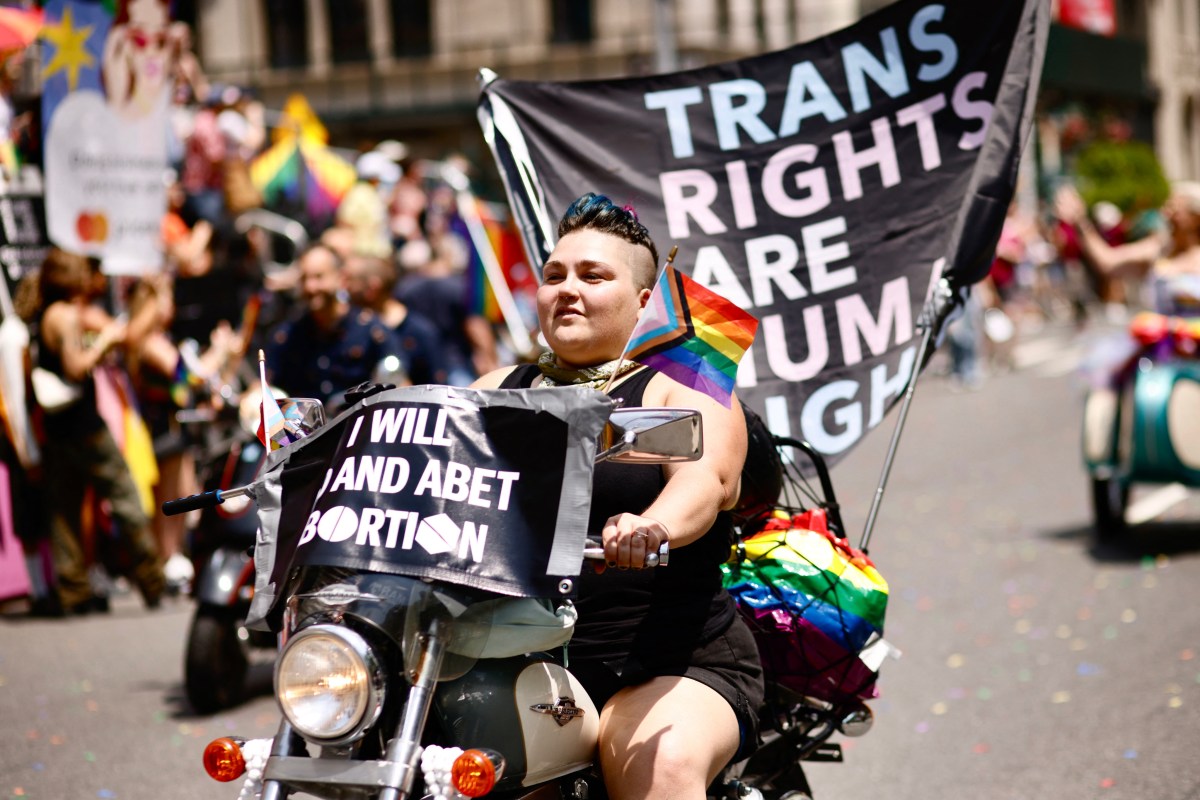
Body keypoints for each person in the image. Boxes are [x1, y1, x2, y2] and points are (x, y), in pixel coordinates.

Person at [472, 193, 763, 800]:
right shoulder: (499, 390)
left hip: (665, 662)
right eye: (554, 275)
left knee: (657, 763)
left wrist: (652, 526)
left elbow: (705, 480)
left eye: (592, 275)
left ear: (642, 301)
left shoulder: (676, 386)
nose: (566, 289)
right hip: (516, 661)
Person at [21, 248, 166, 614]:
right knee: (124, 498)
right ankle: (151, 580)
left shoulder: (45, 312)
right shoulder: (66, 315)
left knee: (65, 511)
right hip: (84, 426)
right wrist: (103, 344)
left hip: (57, 428)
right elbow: (75, 367)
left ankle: (73, 591)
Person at [265, 242, 398, 406]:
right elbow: (266, 389)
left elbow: (397, 384)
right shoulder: (288, 336)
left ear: (341, 278)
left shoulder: (371, 332)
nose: (310, 287)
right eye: (304, 278)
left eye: (318, 277)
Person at [342, 251, 447, 385]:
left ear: (372, 288)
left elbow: (437, 386)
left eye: (350, 280)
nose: (344, 287)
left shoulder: (421, 332)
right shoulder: (352, 326)